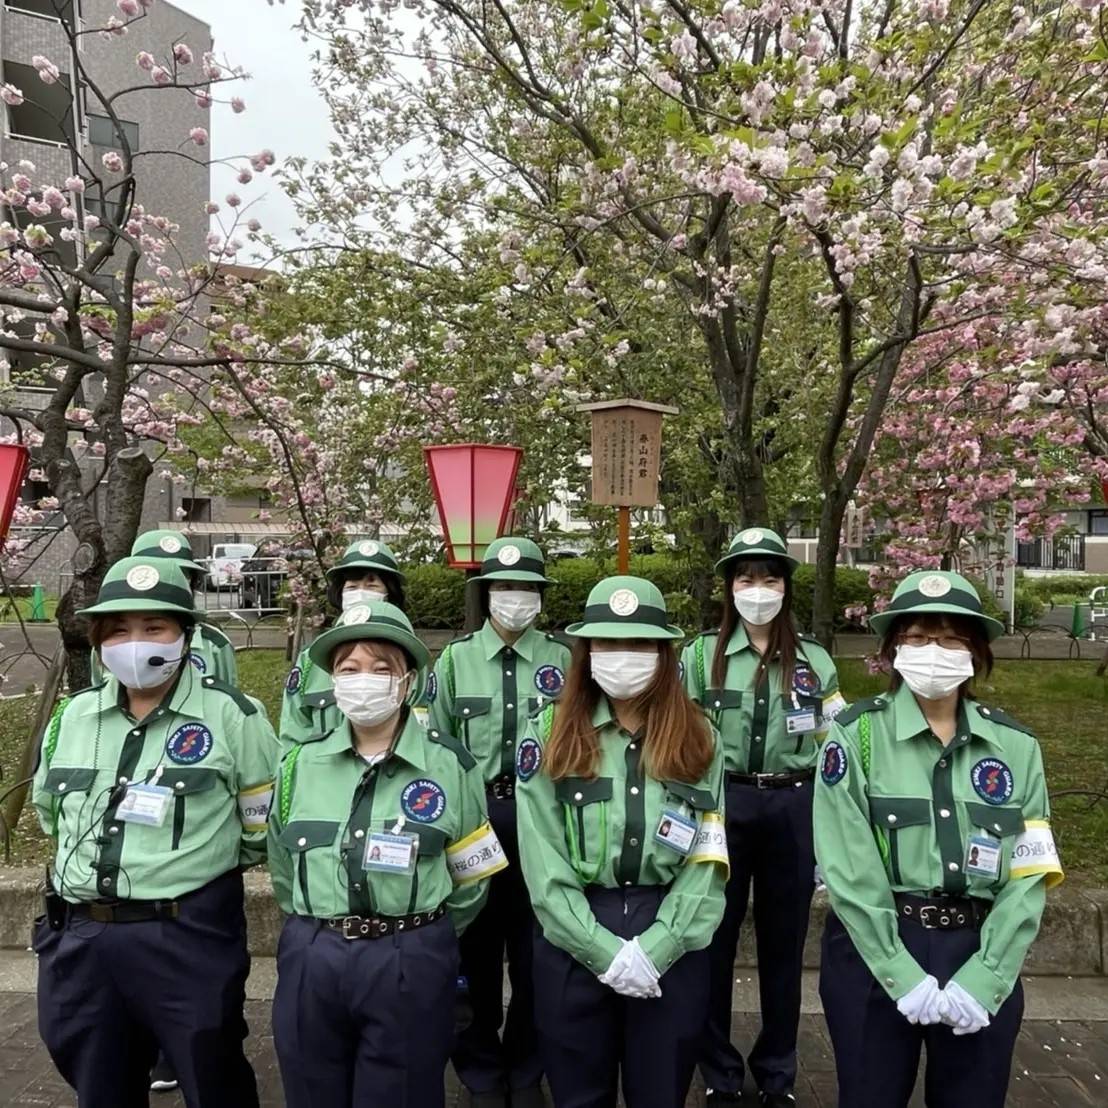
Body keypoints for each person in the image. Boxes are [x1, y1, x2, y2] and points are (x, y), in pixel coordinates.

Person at [31, 556, 278, 1108]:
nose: (135, 643)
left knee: (212, 1077)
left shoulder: (234, 716)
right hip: (81, 939)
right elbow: (51, 811)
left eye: (154, 627)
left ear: (185, 635)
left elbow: (259, 829)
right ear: (99, 640)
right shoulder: (73, 716)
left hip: (185, 936)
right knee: (98, 1081)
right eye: (118, 629)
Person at [814, 570, 1064, 1108]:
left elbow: (1030, 872)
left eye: (952, 639)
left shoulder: (1016, 746)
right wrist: (899, 973)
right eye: (918, 636)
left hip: (979, 948)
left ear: (976, 652)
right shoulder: (856, 736)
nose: (934, 651)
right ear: (893, 648)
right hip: (875, 950)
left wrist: (988, 976)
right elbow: (848, 866)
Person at [268, 599, 506, 1108]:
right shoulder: (298, 765)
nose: (364, 680)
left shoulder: (452, 765)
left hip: (410, 954)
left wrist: (423, 934)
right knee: (311, 1089)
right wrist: (315, 931)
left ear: (408, 681)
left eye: (381, 669)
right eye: (349, 668)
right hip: (314, 953)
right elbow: (283, 867)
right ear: (333, 680)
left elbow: (474, 873)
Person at [516, 575, 729, 1108]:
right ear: (587, 652)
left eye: (638, 643)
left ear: (663, 653)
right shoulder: (548, 732)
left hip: (671, 936)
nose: (623, 656)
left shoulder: (700, 736)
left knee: (660, 1092)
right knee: (578, 1096)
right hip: (574, 935)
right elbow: (543, 861)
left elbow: (708, 855)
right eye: (608, 643)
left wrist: (659, 949)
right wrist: (602, 952)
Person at [682, 527, 844, 1106]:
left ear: (785, 588)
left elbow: (833, 748)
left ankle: (778, 1072)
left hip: (792, 805)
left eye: (770, 579)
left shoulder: (814, 662)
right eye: (746, 578)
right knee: (712, 941)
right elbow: (680, 738)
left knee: (784, 946)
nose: (758, 590)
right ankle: (719, 1072)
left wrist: (828, 830)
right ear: (730, 587)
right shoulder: (700, 656)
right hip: (721, 805)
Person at [429, 536, 570, 1107]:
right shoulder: (454, 660)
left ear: (541, 595)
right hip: (476, 819)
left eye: (526, 587)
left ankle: (527, 1067)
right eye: (504, 586)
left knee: (539, 950)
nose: (515, 597)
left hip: (542, 820)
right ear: (485, 593)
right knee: (475, 951)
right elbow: (435, 747)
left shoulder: (564, 660)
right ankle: (481, 1071)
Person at [280, 538, 406, 747]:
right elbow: (292, 732)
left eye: (371, 585)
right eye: (352, 586)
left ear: (389, 594)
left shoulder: (406, 657)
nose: (361, 593)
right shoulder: (312, 659)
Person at [91, 529, 238, 690]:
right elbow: (100, 692)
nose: (170, 581)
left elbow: (227, 694)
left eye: (181, 574)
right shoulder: (108, 643)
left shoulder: (214, 644)